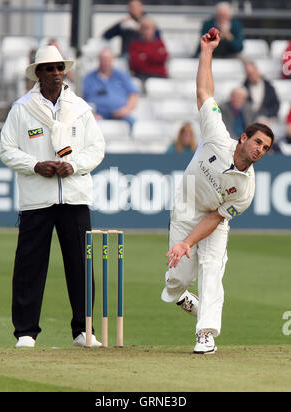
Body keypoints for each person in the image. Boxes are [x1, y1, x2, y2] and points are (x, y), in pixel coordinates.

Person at [161, 29, 274, 354]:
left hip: (213, 222)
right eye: (256, 142)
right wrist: (207, 51)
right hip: (185, 208)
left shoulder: (246, 189)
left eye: (265, 148)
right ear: (242, 139)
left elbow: (214, 217)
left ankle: (205, 334)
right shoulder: (215, 136)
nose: (259, 150)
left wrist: (188, 243)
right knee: (177, 281)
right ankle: (181, 295)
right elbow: (203, 91)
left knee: (212, 268)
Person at [0, 45, 105, 349]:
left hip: (74, 197)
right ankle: (26, 332)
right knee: (29, 266)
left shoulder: (81, 108)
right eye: (50, 69)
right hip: (37, 200)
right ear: (38, 74)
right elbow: (7, 150)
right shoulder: (22, 108)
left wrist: (73, 165)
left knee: (81, 266)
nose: (57, 74)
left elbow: (96, 150)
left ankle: (84, 330)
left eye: (60, 68)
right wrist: (35, 165)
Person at [83, 48, 139, 128]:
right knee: (89, 125)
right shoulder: (89, 78)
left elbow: (133, 95)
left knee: (134, 123)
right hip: (98, 115)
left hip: (120, 114)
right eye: (103, 59)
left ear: (112, 60)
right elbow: (82, 99)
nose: (106, 62)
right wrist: (92, 113)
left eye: (108, 59)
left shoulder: (121, 75)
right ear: (99, 60)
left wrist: (126, 110)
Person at [128, 17, 169, 83]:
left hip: (160, 76)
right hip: (142, 77)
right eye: (144, 28)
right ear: (140, 29)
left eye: (149, 28)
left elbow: (163, 58)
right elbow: (135, 63)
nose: (146, 31)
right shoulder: (134, 44)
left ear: (154, 29)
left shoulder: (160, 43)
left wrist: (144, 56)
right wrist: (154, 55)